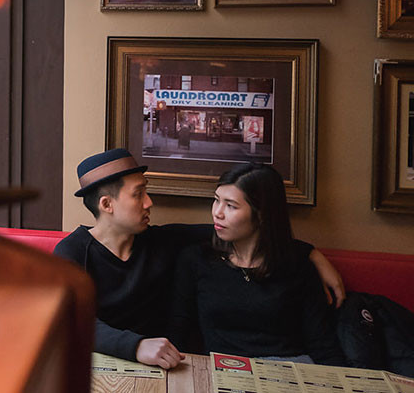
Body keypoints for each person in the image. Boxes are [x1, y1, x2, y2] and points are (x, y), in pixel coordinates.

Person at [53, 149, 344, 370]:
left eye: (147, 191)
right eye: (139, 194)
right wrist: (136, 345)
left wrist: (310, 252)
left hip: (160, 364)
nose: (149, 202)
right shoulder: (73, 253)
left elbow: (249, 230)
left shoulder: (162, 242)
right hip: (100, 361)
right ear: (107, 204)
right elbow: (71, 322)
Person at [168, 164, 346, 365]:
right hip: (226, 372)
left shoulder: (297, 265)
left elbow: (322, 344)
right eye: (216, 200)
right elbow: (177, 333)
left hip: (289, 369)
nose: (217, 213)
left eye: (231, 206)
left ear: (261, 214)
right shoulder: (196, 260)